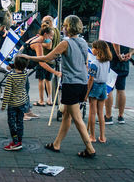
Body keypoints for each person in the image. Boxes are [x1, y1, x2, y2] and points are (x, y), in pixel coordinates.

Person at [20, 15, 96, 158]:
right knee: (67, 115)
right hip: (82, 83)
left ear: (69, 27)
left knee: (77, 119)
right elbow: (84, 63)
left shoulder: (65, 43)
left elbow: (47, 58)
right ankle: (56, 144)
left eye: (65, 26)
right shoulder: (84, 43)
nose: (63, 28)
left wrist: (28, 57)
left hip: (71, 84)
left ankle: (90, 148)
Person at [27, 25, 61, 107]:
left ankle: (27, 112)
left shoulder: (37, 38)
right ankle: (25, 113)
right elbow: (41, 62)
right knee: (25, 88)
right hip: (22, 65)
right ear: (45, 34)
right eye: (51, 36)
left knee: (25, 88)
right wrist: (55, 72)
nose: (52, 38)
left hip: (22, 63)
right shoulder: (38, 43)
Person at [1, 56, 29, 151]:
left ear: (15, 65)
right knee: (20, 122)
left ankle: (15, 142)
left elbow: (7, 92)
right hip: (22, 102)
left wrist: (3, 105)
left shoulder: (11, 76)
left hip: (13, 104)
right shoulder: (25, 74)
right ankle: (20, 140)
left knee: (12, 123)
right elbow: (21, 67)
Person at [87, 40, 112, 143]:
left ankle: (92, 136)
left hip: (95, 87)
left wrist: (86, 92)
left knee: (92, 113)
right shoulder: (108, 62)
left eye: (93, 48)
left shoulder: (94, 64)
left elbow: (91, 79)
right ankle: (102, 137)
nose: (92, 49)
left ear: (97, 50)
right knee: (101, 113)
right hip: (103, 87)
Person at [104, 43, 134, 125]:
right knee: (121, 89)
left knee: (109, 90)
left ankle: (108, 117)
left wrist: (118, 54)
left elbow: (116, 42)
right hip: (124, 64)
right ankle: (121, 116)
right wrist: (131, 53)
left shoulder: (116, 30)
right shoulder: (128, 33)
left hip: (113, 62)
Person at [40, 16, 61, 105]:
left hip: (45, 57)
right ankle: (50, 99)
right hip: (53, 58)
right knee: (48, 79)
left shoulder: (48, 32)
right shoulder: (57, 31)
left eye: (44, 22)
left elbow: (49, 45)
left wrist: (39, 42)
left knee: (41, 79)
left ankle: (41, 100)